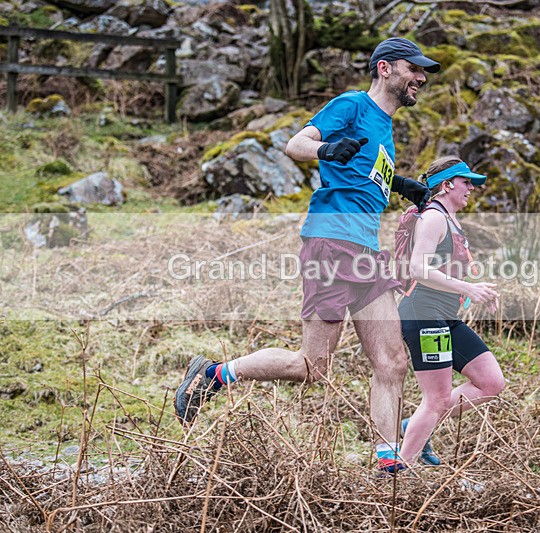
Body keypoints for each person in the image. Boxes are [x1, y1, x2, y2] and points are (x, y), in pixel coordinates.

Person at [174, 37, 440, 474]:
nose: (421, 78)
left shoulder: (385, 128)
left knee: (392, 361)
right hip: (331, 242)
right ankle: (213, 374)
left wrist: (400, 184)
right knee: (311, 367)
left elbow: (359, 171)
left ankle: (389, 466)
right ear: (385, 68)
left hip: (366, 251)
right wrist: (325, 149)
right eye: (414, 69)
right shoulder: (352, 105)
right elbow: (296, 143)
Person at [397, 156, 506, 467]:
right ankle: (397, 472)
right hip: (424, 314)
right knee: (436, 399)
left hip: (446, 315)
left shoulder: (450, 219)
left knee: (491, 382)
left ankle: (416, 425)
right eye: (465, 182)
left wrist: (477, 291)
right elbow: (418, 269)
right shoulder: (434, 217)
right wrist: (467, 288)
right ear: (446, 185)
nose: (471, 188)